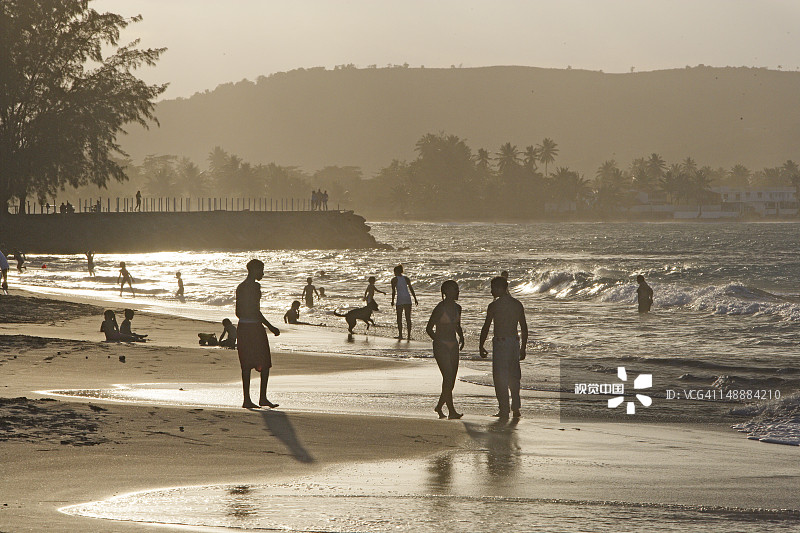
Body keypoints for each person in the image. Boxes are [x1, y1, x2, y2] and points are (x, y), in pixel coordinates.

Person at [479, 276, 528, 419]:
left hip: (500, 343)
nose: (491, 291)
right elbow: (524, 328)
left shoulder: (494, 306)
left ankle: (504, 409)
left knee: (500, 377)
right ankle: (516, 408)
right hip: (514, 342)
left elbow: (486, 327)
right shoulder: (517, 304)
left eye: (493, 288)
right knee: (514, 376)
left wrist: (481, 344)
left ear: (501, 288)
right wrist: (523, 347)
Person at [236, 259, 280, 409]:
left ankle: (247, 399)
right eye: (261, 270)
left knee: (246, 364)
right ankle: (262, 398)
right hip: (254, 328)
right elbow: (255, 310)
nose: (263, 273)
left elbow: (238, 312)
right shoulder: (255, 287)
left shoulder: (240, 287)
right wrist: (271, 327)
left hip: (242, 327)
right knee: (265, 362)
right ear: (254, 270)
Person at [426, 280, 465, 420]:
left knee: (451, 381)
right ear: (446, 291)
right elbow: (428, 328)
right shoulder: (440, 308)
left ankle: (439, 406)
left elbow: (457, 326)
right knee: (447, 377)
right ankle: (452, 411)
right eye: (455, 289)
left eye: (457, 289)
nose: (458, 291)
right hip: (441, 346)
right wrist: (438, 341)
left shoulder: (458, 308)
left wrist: (462, 337)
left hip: (453, 345)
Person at [391, 264, 418, 340]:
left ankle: (400, 335)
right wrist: (415, 298)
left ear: (396, 271)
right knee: (408, 318)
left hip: (400, 299)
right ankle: (409, 336)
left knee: (399, 318)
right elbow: (411, 289)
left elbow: (394, 291)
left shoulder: (394, 280)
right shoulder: (406, 278)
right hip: (407, 299)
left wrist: (392, 300)